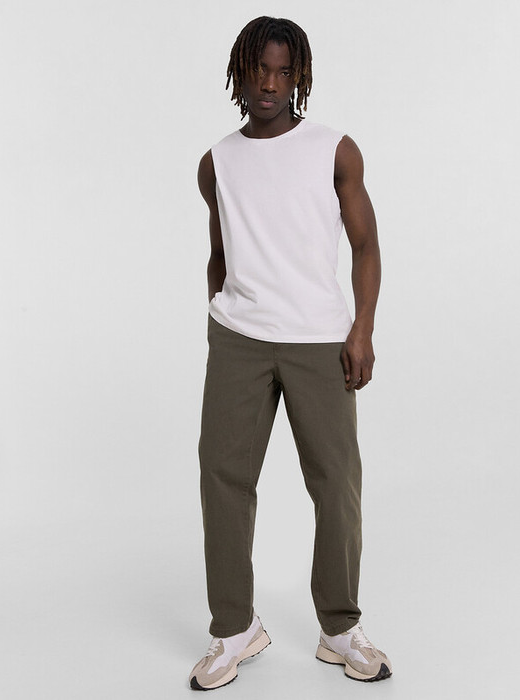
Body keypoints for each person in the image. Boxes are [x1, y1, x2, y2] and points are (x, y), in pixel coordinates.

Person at [189, 15, 392, 691]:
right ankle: (232, 629)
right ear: (239, 74)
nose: (269, 84)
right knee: (222, 477)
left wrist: (361, 331)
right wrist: (222, 318)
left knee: (335, 482)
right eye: (259, 70)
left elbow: (365, 245)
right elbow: (219, 252)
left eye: (283, 72)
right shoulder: (216, 162)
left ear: (298, 76)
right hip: (239, 339)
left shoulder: (334, 149)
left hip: (318, 338)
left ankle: (339, 628)